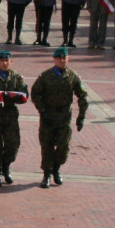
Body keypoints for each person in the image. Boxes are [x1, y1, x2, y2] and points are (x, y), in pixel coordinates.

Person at [31, 47, 89, 188]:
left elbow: (82, 96)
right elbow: (35, 94)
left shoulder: (73, 76)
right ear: (54, 59)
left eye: (64, 58)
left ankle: (56, 168)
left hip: (64, 117)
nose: (62, 61)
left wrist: (81, 116)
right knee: (47, 146)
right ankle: (47, 174)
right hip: (48, 117)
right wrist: (43, 111)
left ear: (68, 59)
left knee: (64, 146)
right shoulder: (45, 76)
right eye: (59, 58)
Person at [0, 51, 28, 187]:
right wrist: (6, 96)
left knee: (13, 143)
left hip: (10, 116)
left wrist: (19, 97)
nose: (4, 62)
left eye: (7, 60)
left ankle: (6, 168)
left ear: (11, 62)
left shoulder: (17, 77)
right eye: (2, 60)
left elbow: (23, 93)